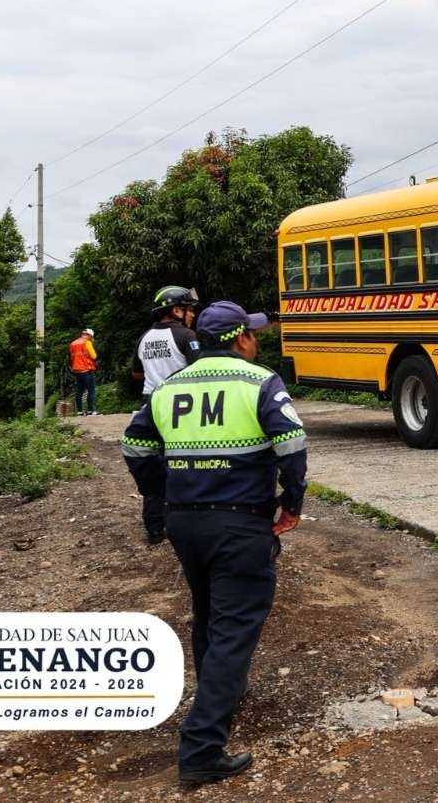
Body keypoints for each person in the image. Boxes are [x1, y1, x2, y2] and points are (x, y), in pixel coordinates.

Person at [120, 301, 306, 786]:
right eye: (255, 334)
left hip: (186, 523)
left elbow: (134, 446)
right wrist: (292, 501)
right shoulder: (259, 381)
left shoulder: (168, 387)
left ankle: (218, 693)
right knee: (234, 625)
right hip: (239, 522)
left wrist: (161, 491)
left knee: (207, 609)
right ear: (241, 338)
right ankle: (202, 747)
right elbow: (290, 442)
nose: (258, 341)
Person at [132, 286, 202, 544]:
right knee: (184, 463)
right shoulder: (186, 335)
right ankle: (185, 522)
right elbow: (201, 368)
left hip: (150, 404)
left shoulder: (144, 338)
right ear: (176, 310)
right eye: (189, 310)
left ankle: (154, 528)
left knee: (154, 465)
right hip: (181, 405)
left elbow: (137, 374)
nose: (192, 315)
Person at [69, 328, 99, 416]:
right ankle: (91, 411)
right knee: (91, 390)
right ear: (89, 335)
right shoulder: (87, 342)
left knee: (79, 391)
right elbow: (94, 356)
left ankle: (79, 412)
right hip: (87, 369)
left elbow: (70, 357)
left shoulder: (73, 343)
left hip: (76, 370)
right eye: (92, 337)